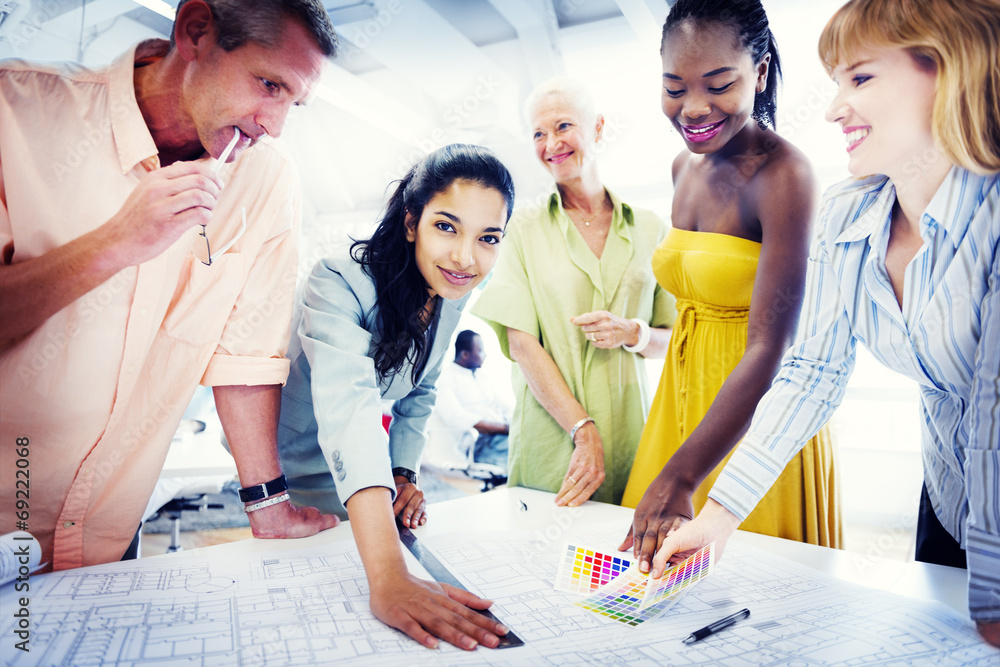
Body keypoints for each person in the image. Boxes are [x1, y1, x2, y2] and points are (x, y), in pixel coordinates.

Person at [650, 0, 1000, 648]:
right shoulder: (849, 213)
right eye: (836, 81)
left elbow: (993, 409)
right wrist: (719, 516)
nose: (835, 106)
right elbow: (813, 369)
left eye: (860, 79)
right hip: (950, 500)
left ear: (953, 71)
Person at [0, 0, 339, 571]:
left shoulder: (268, 178)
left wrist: (268, 506)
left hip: (107, 539)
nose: (274, 124)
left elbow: (245, 360)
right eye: (267, 84)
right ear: (196, 30)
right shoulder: (15, 111)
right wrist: (116, 242)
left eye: (293, 102)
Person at [619, 0, 841, 573]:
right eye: (674, 87)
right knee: (652, 592)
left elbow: (771, 346)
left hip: (753, 415)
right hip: (681, 402)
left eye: (719, 84)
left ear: (760, 73)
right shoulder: (680, 168)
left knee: (754, 604)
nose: (693, 108)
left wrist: (682, 472)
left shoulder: (785, 175)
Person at [276, 144, 516, 651]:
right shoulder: (337, 282)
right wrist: (388, 575)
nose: (465, 257)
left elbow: (422, 388)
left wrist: (402, 473)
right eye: (446, 227)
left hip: (371, 474)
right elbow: (350, 408)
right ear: (411, 222)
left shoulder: (453, 286)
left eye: (487, 237)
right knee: (313, 621)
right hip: (295, 471)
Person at [473, 77, 675, 507]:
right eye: (538, 134)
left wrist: (633, 332)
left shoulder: (650, 227)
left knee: (624, 564)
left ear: (598, 128)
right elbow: (522, 345)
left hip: (630, 432)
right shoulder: (523, 228)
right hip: (552, 437)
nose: (551, 144)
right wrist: (582, 428)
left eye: (563, 127)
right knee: (545, 563)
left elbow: (672, 338)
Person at [424, 329, 512, 471]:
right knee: (521, 448)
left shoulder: (482, 377)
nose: (485, 355)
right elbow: (457, 417)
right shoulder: (446, 378)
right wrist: (504, 428)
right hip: (476, 445)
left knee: (528, 441)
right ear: (465, 354)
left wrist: (516, 423)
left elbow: (504, 405)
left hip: (496, 437)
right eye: (480, 351)